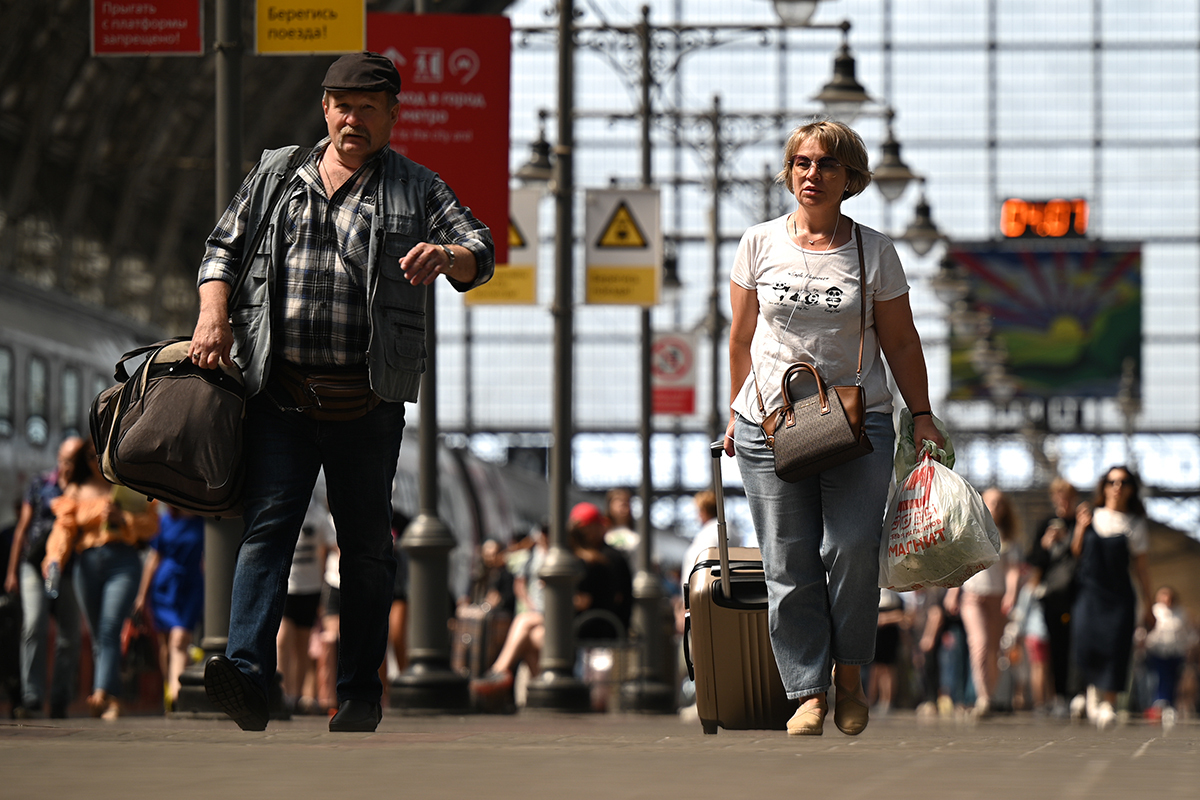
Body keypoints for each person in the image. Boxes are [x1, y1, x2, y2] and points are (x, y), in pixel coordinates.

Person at [189, 51, 494, 733]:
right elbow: (221, 251)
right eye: (342, 106)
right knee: (266, 532)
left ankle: (358, 691)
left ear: (392, 115)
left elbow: (480, 248)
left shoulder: (417, 187)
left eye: (366, 108)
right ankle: (247, 674)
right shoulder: (278, 175)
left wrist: (447, 255)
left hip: (367, 403)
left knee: (365, 549)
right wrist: (213, 314)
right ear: (325, 108)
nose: (352, 119)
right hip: (282, 396)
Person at [724, 118, 944, 737]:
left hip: (856, 422)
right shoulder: (758, 243)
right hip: (767, 421)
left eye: (826, 164)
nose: (812, 174)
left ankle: (850, 675)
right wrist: (733, 412)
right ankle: (807, 692)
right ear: (789, 171)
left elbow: (901, 341)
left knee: (851, 547)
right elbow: (741, 338)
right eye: (802, 162)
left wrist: (921, 414)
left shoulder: (874, 251)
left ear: (851, 178)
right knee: (786, 560)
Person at [42, 440, 159, 719]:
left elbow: (152, 526)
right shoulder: (76, 489)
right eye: (89, 456)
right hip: (87, 564)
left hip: (123, 562)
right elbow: (64, 529)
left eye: (100, 454)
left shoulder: (131, 486)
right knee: (99, 635)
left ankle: (100, 693)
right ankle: (113, 698)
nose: (95, 460)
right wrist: (54, 558)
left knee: (110, 627)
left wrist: (123, 519)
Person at [1070, 465, 1155, 730]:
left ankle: (1108, 703)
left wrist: (1149, 604)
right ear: (1104, 486)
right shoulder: (1091, 515)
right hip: (1090, 593)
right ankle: (1088, 693)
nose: (1117, 487)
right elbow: (1076, 552)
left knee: (1116, 647)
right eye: (1112, 481)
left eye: (1124, 482)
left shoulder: (1136, 524)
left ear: (1131, 489)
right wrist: (1080, 528)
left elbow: (1141, 569)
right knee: (1085, 642)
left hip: (1119, 597)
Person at [4, 437, 84, 719]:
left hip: (69, 568)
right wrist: (12, 571)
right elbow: (22, 529)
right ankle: (32, 696)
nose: (67, 465)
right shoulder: (40, 484)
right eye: (64, 459)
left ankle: (60, 698)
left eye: (73, 461)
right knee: (34, 625)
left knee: (69, 636)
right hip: (34, 565)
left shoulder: (83, 490)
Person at [945, 486, 1021, 718]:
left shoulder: (1008, 540)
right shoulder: (969, 531)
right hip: (972, 597)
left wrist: (1011, 594)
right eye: (990, 501)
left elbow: (1013, 570)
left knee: (994, 650)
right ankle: (984, 698)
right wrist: (952, 593)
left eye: (999, 503)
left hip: (997, 599)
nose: (994, 507)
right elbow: (961, 565)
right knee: (979, 644)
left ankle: (990, 695)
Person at [132, 505, 205, 711]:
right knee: (165, 644)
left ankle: (176, 694)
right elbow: (154, 559)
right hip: (164, 585)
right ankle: (170, 685)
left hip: (191, 586)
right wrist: (141, 595)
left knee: (179, 639)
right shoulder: (164, 520)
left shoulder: (203, 522)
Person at [1025, 477, 1081, 715]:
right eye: (1059, 496)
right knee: (1055, 647)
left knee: (1076, 645)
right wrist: (1046, 544)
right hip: (1052, 597)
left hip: (1077, 594)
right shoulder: (1046, 524)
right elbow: (1034, 562)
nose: (1063, 501)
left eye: (1067, 496)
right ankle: (1059, 696)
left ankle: (1077, 694)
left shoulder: (1081, 523)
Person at [1142, 586, 1194, 723]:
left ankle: (1169, 705)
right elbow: (1145, 629)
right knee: (1159, 678)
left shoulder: (1181, 613)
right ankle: (1159, 704)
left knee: (1173, 680)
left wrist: (1189, 648)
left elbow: (1189, 633)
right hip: (1157, 652)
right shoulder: (1154, 611)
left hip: (1176, 653)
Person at [603, 487, 639, 556]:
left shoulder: (638, 533)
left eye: (626, 502)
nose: (622, 504)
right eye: (618, 500)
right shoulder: (602, 532)